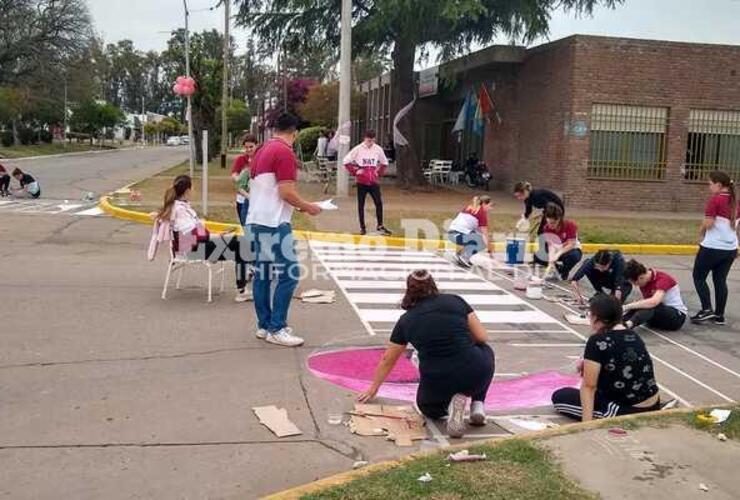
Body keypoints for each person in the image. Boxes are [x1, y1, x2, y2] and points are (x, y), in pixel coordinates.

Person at [358, 271, 495, 438]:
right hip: (474, 372)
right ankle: (477, 404)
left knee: (429, 410)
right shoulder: (455, 301)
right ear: (433, 285)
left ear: (409, 291)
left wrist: (373, 388)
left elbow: (388, 359)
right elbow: (482, 337)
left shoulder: (406, 321)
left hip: (438, 379)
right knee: (485, 351)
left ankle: (451, 406)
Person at [246, 113, 322, 347]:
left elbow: (268, 189)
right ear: (295, 132)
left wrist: (296, 206)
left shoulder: (261, 150)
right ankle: (277, 327)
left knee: (263, 274)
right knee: (289, 275)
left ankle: (265, 324)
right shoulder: (284, 152)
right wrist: (308, 207)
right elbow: (285, 192)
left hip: (257, 218)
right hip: (274, 223)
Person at [552, 295, 663, 421]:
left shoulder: (597, 341)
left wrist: (586, 425)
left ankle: (610, 415)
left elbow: (589, 387)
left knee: (560, 396)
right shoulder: (633, 335)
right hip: (653, 402)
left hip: (627, 410)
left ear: (595, 317)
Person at [157, 175, 250, 293]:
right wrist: (216, 237)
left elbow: (196, 232)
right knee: (240, 244)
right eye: (193, 188)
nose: (194, 190)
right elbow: (194, 234)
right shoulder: (180, 210)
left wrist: (215, 235)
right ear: (187, 191)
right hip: (193, 250)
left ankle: (244, 279)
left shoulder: (180, 207)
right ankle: (242, 290)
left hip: (193, 246)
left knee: (238, 243)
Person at [691, 170, 739, 326]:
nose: (709, 187)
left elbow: (709, 223)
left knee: (698, 277)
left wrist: (701, 228)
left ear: (719, 185)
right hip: (730, 248)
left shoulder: (715, 200)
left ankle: (706, 309)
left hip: (712, 247)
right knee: (720, 280)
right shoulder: (736, 201)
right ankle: (719, 315)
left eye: (710, 184)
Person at [343, 130, 392, 236]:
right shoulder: (358, 149)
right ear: (365, 139)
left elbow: (384, 162)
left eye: (372, 140)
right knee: (361, 204)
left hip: (373, 180)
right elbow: (346, 161)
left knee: (378, 202)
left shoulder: (377, 149)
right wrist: (355, 171)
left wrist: (378, 173)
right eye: (368, 140)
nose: (370, 143)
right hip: (362, 181)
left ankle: (380, 225)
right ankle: (362, 227)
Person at [230, 134, 259, 303]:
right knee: (248, 235)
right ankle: (250, 267)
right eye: (246, 147)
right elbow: (235, 177)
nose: (248, 150)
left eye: (251, 147)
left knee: (256, 235)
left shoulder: (260, 158)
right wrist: (240, 178)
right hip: (244, 201)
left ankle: (254, 266)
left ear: (257, 146)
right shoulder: (242, 160)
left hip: (257, 202)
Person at [622, 260, 687, 331]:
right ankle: (618, 322)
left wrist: (626, 306)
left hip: (676, 318)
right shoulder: (644, 282)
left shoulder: (662, 279)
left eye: (635, 283)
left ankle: (628, 325)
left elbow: (654, 302)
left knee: (649, 304)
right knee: (639, 304)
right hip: (658, 317)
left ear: (641, 277)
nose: (635, 285)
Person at [534, 203, 582, 280]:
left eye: (553, 223)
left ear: (559, 219)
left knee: (574, 256)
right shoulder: (546, 228)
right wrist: (551, 260)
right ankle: (556, 269)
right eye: (549, 222)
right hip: (557, 247)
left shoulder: (570, 225)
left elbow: (571, 244)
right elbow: (551, 246)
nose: (551, 225)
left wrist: (558, 253)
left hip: (570, 249)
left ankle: (564, 271)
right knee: (538, 256)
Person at [447, 195, 495, 267]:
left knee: (476, 237)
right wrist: (490, 250)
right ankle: (464, 257)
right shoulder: (481, 213)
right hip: (458, 234)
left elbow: (475, 231)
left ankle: (459, 255)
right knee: (481, 241)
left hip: (451, 233)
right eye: (490, 206)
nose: (491, 208)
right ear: (484, 204)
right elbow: (484, 235)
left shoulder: (469, 207)